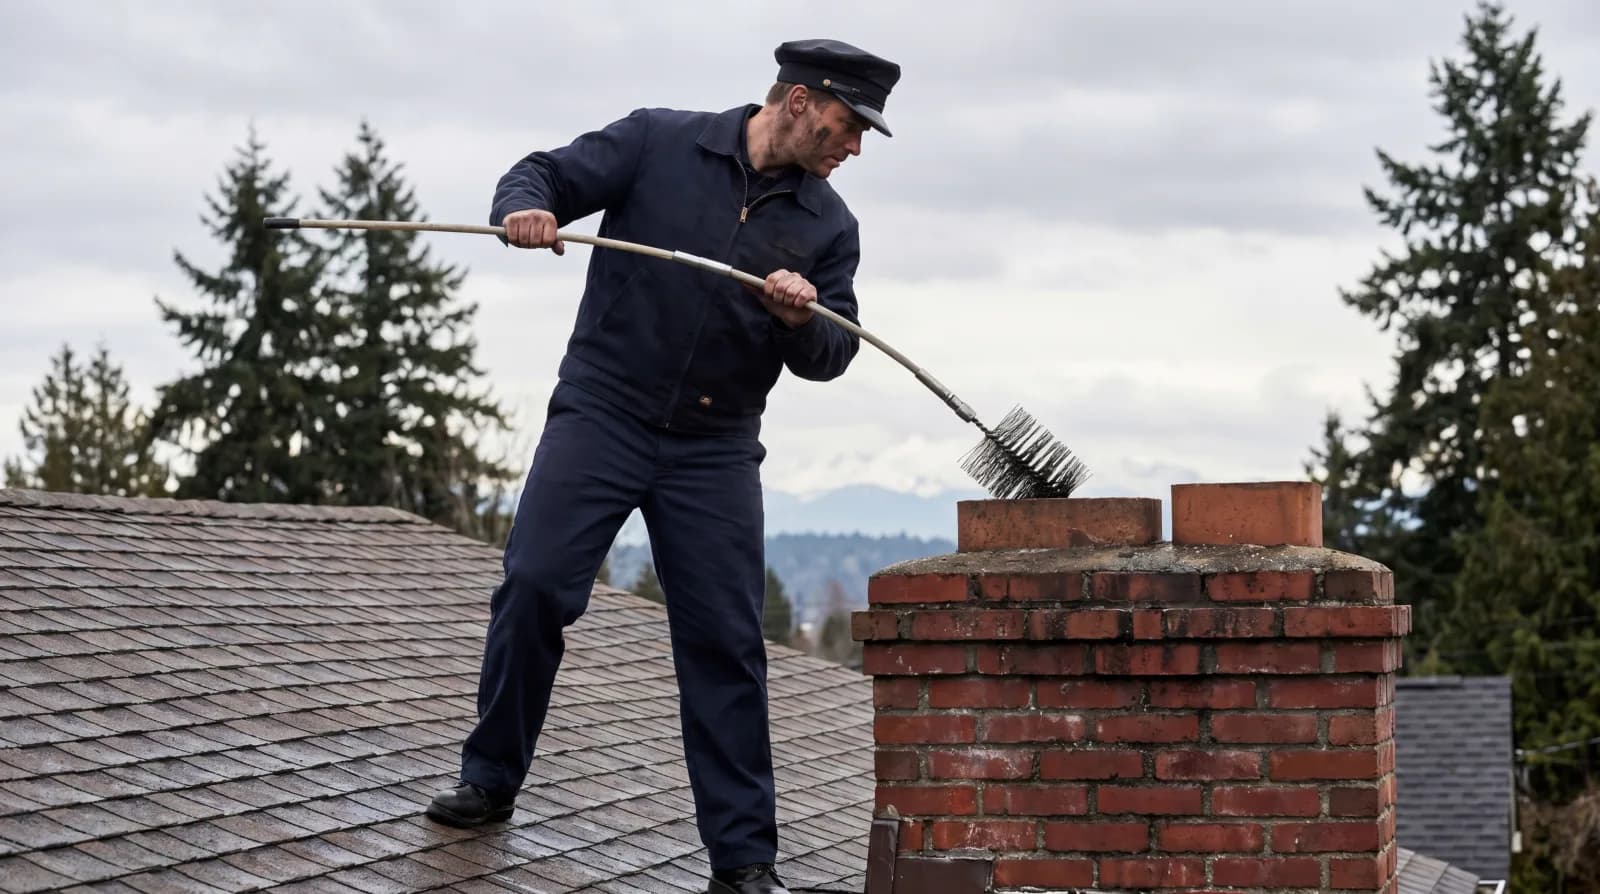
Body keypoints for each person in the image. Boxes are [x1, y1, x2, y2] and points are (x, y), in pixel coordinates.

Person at [423, 39, 901, 894]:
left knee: (724, 642)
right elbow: (542, 174)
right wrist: (525, 210)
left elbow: (835, 352)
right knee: (534, 585)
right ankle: (490, 779)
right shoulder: (658, 142)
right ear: (798, 100)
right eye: (848, 123)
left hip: (714, 451)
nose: (854, 146)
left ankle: (744, 860)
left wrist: (802, 317)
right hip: (601, 414)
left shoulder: (831, 227)